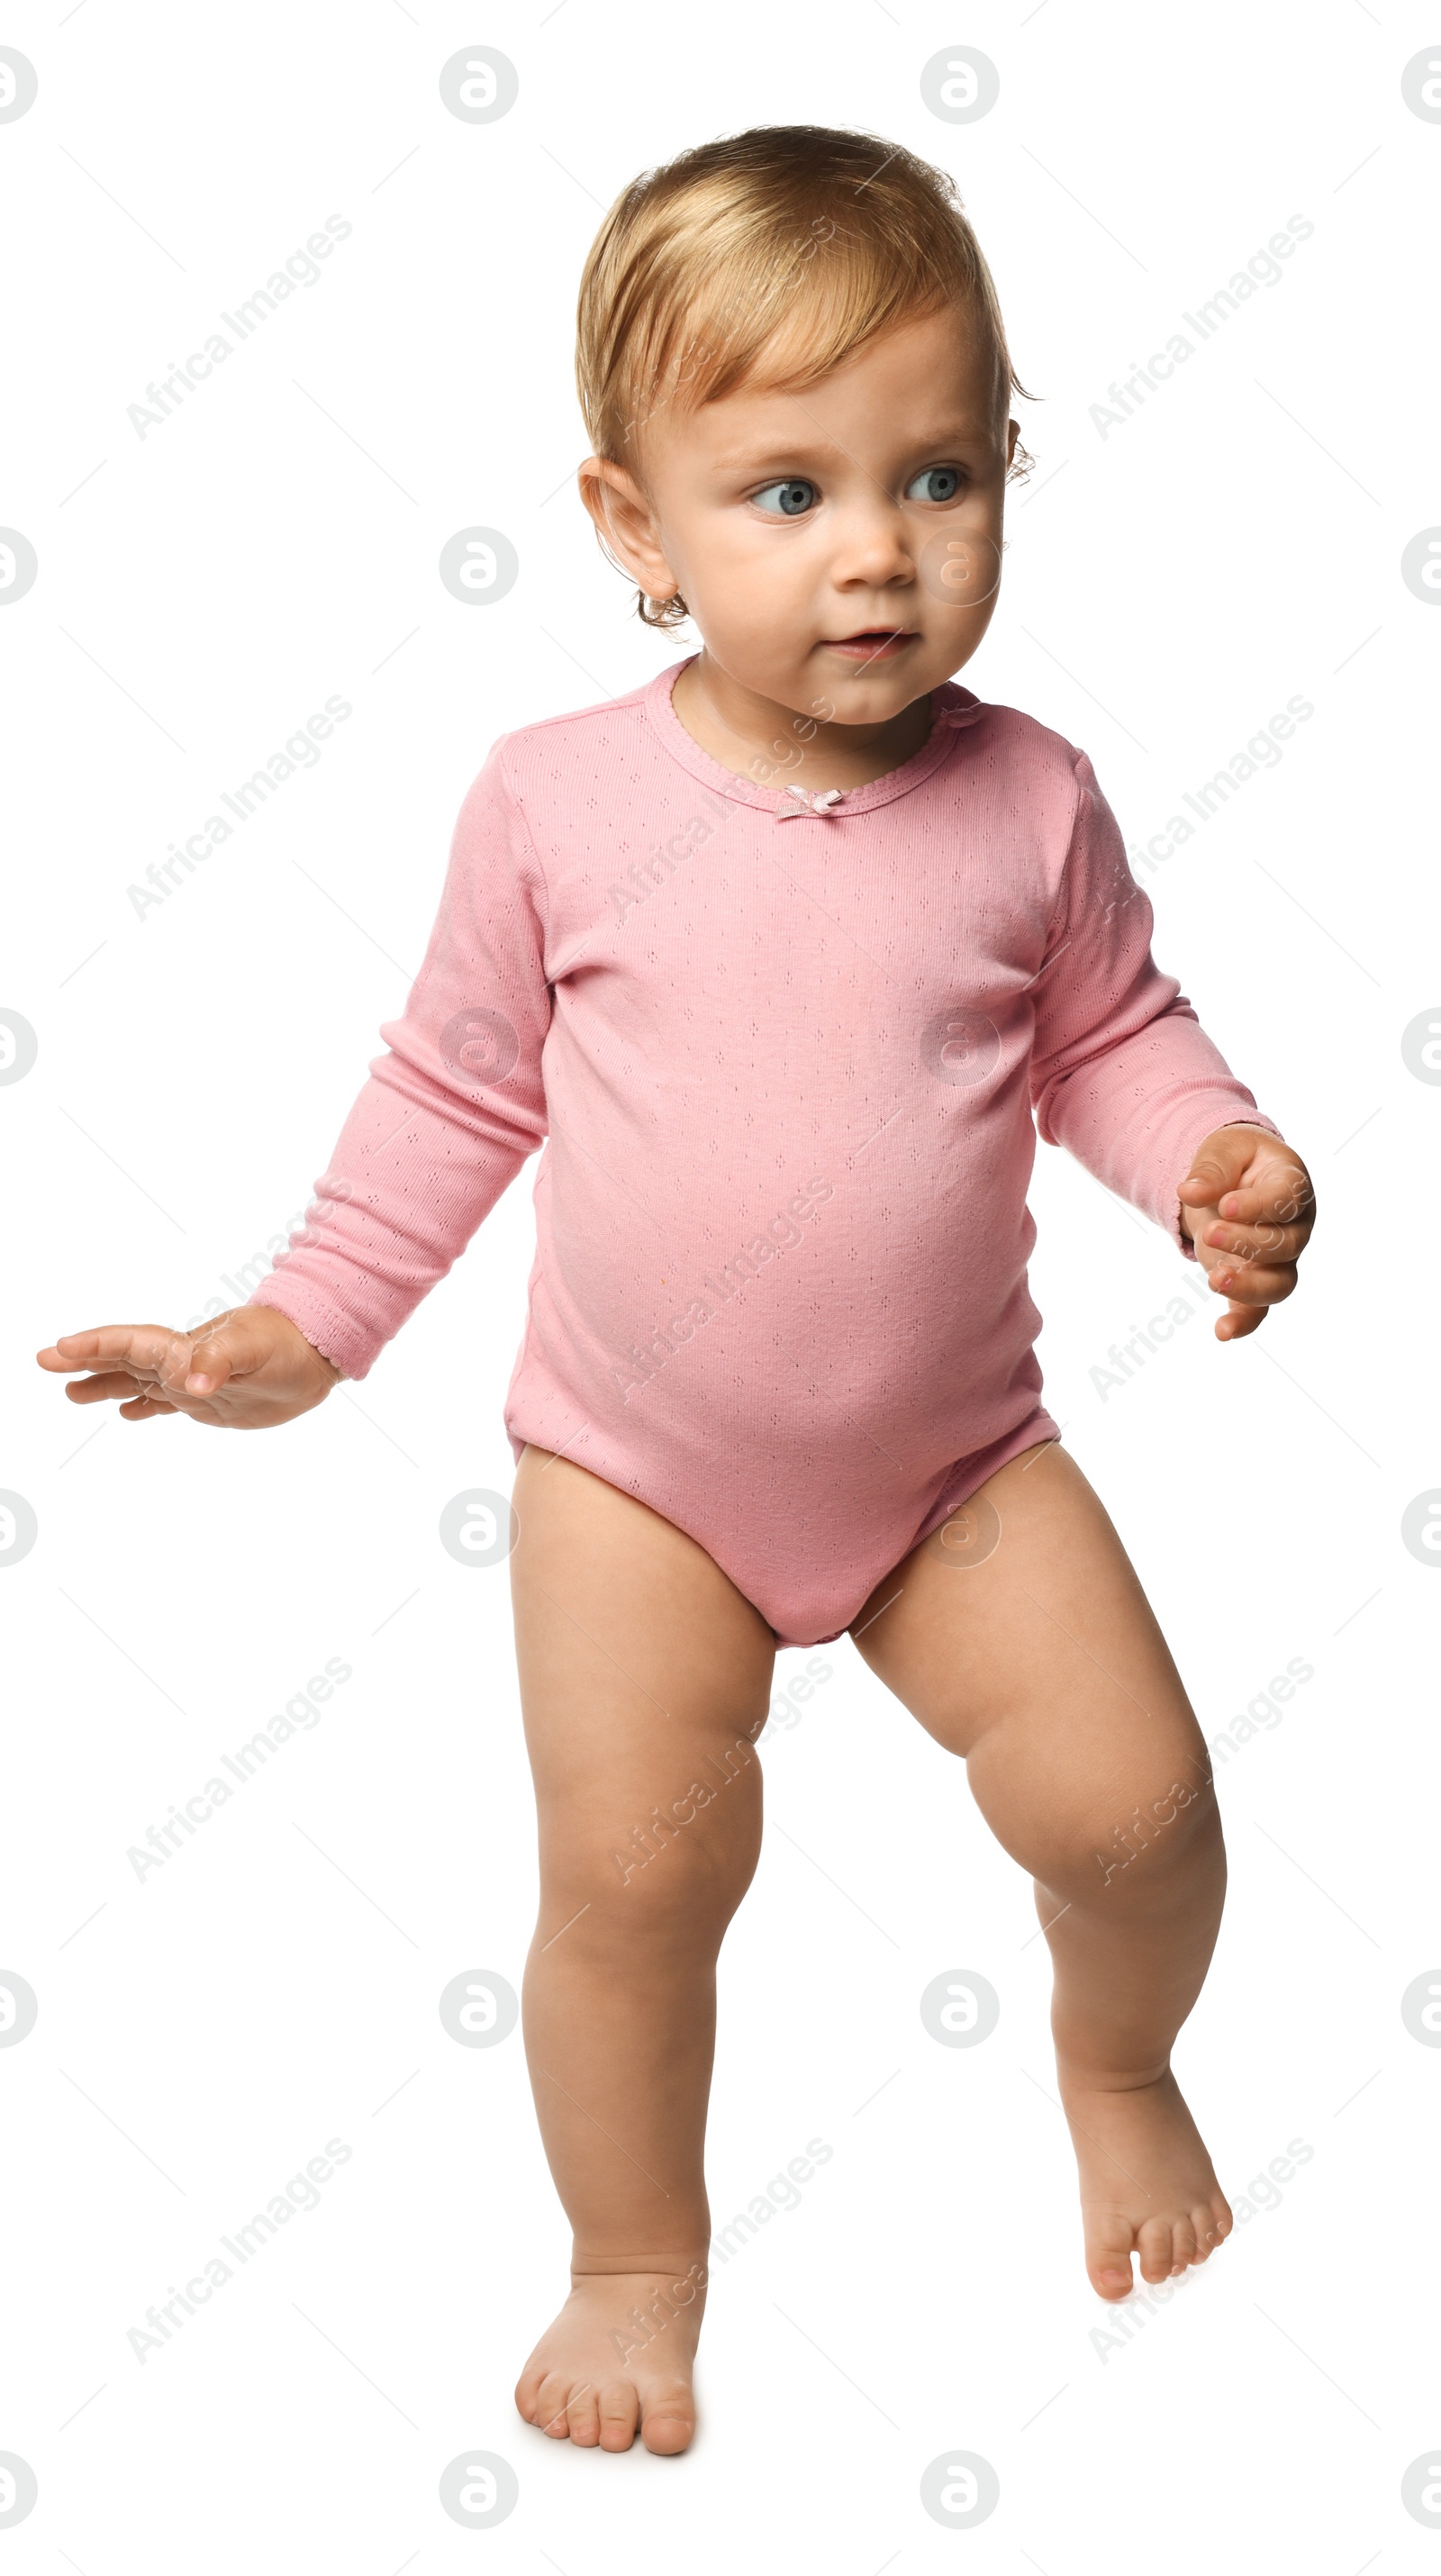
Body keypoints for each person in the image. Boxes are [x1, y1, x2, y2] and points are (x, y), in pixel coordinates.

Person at [36, 124, 1316, 2457]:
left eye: (939, 473)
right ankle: (635, 2251)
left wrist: (1212, 1160)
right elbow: (449, 1090)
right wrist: (295, 1327)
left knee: (1139, 1813)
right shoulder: (550, 802)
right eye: (788, 495)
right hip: (630, 1471)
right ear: (634, 526)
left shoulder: (1030, 798)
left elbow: (1109, 1040)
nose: (880, 556)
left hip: (953, 1466)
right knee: (636, 1866)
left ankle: (1118, 2056)